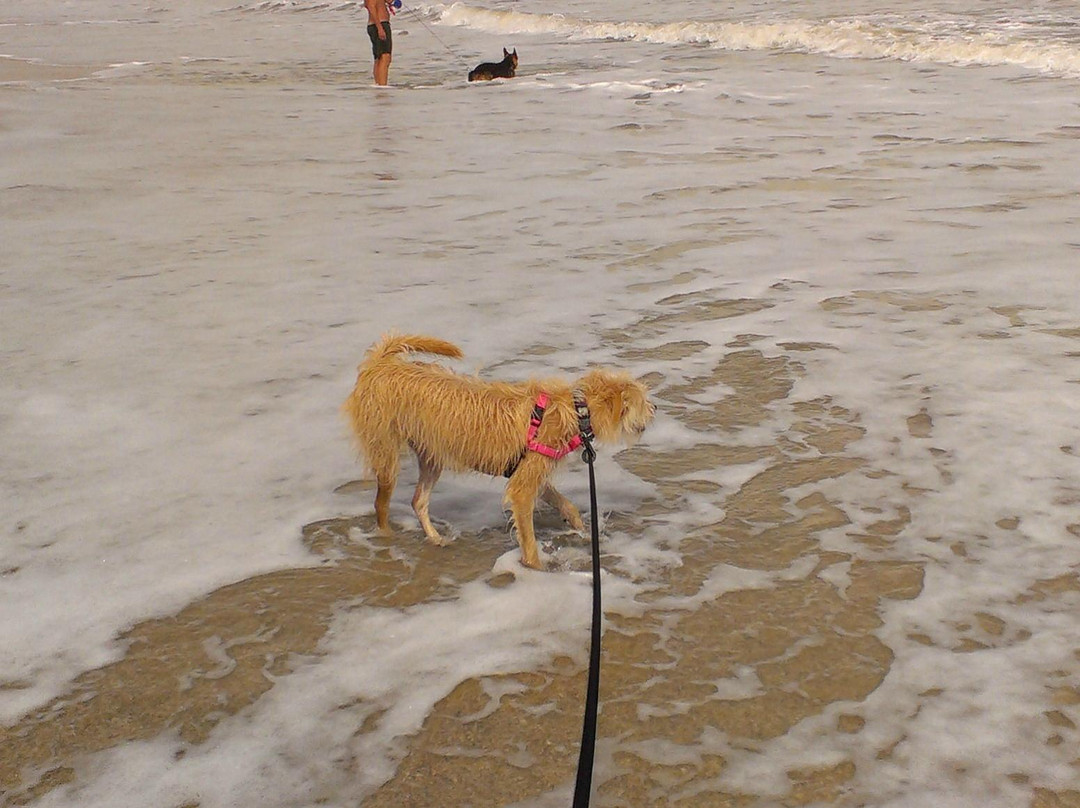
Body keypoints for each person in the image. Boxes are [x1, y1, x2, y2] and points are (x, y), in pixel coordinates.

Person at [365, 0, 394, 85]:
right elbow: (371, 6)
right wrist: (380, 28)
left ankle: (379, 84)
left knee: (379, 57)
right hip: (379, 24)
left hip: (377, 25)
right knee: (385, 57)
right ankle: (382, 85)